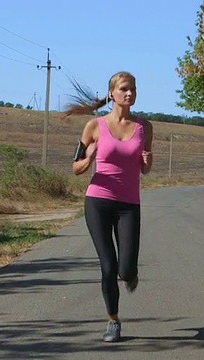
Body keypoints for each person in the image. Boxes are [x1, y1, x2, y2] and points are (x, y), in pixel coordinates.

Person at [66, 71, 153, 342]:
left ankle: (130, 275)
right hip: (98, 201)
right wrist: (89, 157)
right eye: (125, 89)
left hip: (129, 204)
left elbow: (145, 169)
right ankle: (113, 321)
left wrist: (147, 162)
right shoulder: (94, 126)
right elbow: (75, 167)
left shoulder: (144, 127)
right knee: (108, 266)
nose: (130, 94)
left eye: (133, 89)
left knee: (125, 270)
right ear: (112, 93)